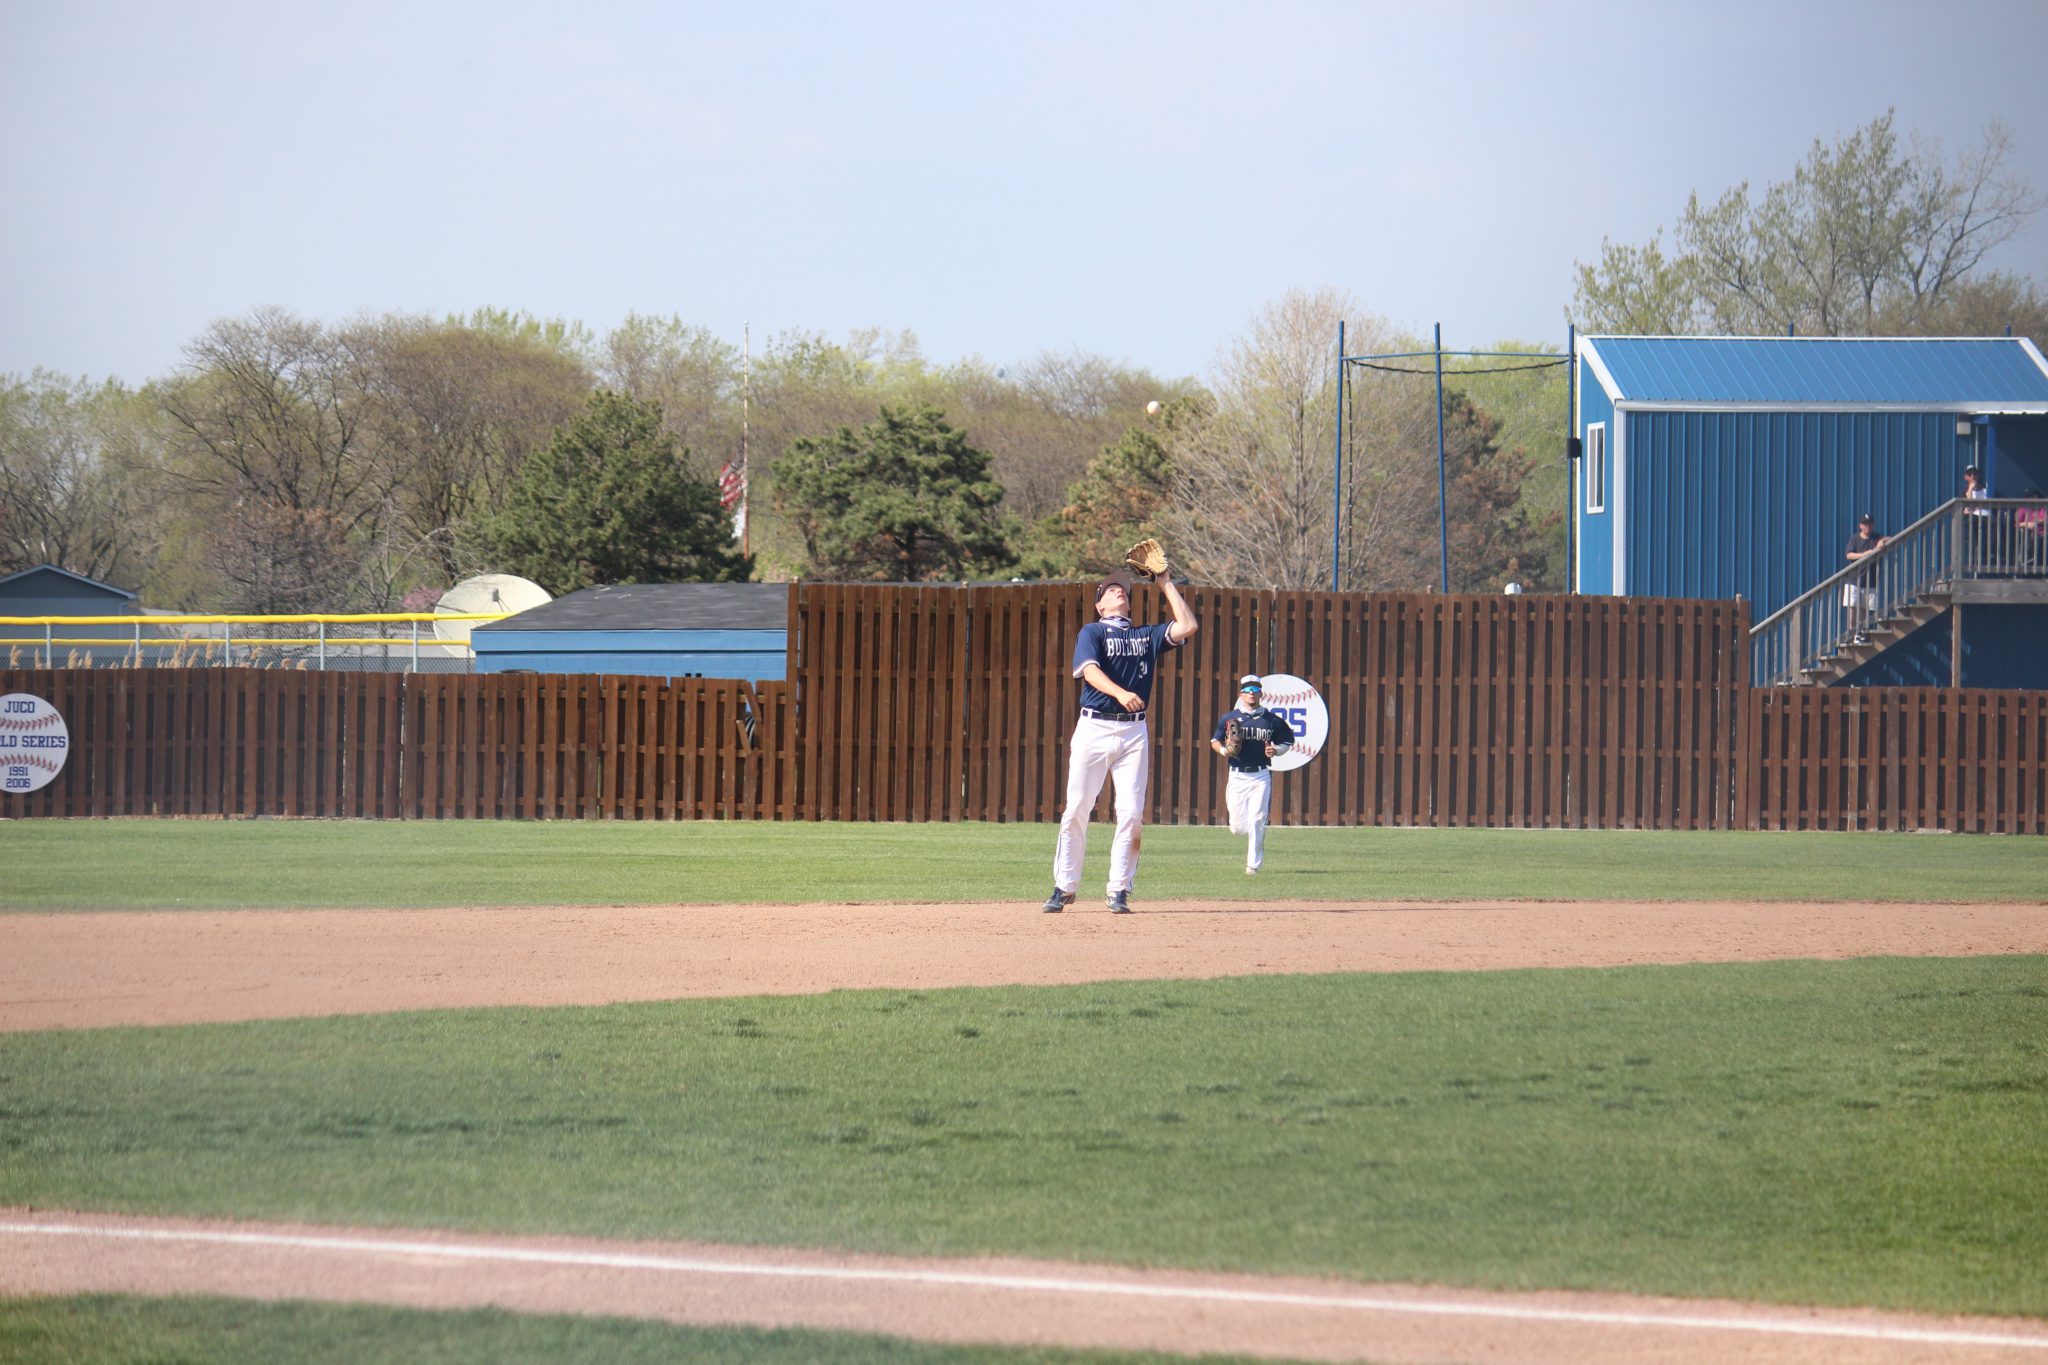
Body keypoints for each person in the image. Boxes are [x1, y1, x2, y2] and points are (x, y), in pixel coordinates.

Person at [1042, 558, 1198, 914]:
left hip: (1133, 732)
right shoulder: (1092, 632)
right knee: (1077, 809)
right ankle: (1064, 887)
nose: (1118, 591)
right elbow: (1089, 672)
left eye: (1123, 590)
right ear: (1100, 606)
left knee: (1130, 813)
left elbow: (1188, 626)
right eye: (1110, 590)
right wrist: (1119, 693)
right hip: (1094, 726)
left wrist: (1165, 583)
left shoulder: (1145, 635)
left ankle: (1119, 890)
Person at [1209, 675, 1295, 875]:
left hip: (1260, 775)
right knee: (1238, 828)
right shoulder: (1229, 718)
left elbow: (1287, 741)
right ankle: (1242, 830)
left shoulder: (1271, 720)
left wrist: (1277, 751)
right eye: (1247, 690)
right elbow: (1215, 740)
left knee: (1257, 819)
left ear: (1261, 694)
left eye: (1255, 690)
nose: (1251, 694)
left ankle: (1253, 866)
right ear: (1241, 694)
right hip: (1237, 774)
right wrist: (1224, 751)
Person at [1842, 512, 1887, 644]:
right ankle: (1851, 634)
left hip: (1870, 580)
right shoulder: (1855, 539)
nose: (1868, 527)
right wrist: (1863, 555)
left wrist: (1882, 542)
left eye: (1870, 524)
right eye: (1865, 524)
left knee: (1864, 609)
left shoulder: (1875, 537)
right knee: (1852, 608)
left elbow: (1889, 538)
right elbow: (1849, 555)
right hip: (1854, 579)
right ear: (1860, 526)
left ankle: (1859, 633)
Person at [1961, 464, 1993, 574]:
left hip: (1987, 518)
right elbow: (1967, 508)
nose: (1973, 476)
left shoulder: (1986, 488)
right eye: (1970, 474)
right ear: (1966, 477)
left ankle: (1984, 562)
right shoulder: (1965, 491)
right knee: (1975, 539)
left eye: (1975, 473)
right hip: (1974, 520)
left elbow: (1989, 503)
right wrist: (1970, 489)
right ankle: (1976, 563)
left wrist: (1974, 507)